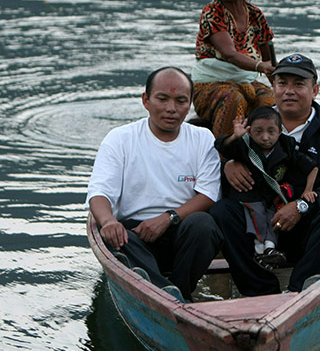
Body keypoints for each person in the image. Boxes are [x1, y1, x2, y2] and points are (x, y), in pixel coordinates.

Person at [209, 54, 320, 295]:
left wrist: (300, 207)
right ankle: (259, 290)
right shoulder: (255, 122)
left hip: (306, 229)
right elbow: (224, 152)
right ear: (273, 87)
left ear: (315, 90)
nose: (289, 91)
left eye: (299, 84)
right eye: (282, 83)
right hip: (259, 224)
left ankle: (299, 289)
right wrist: (228, 164)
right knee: (221, 212)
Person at [86, 67, 223, 302]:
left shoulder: (202, 138)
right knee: (116, 236)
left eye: (180, 101)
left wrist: (168, 218)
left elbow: (208, 195)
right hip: (134, 236)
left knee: (204, 224)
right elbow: (99, 194)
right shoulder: (120, 139)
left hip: (180, 230)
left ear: (189, 104)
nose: (171, 108)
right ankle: (172, 297)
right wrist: (109, 221)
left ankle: (176, 290)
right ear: (146, 101)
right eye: (162, 99)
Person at [214, 106, 319, 270]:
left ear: (280, 131)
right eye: (258, 132)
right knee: (256, 217)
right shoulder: (244, 145)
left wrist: (308, 190)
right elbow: (223, 147)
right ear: (249, 132)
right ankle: (260, 251)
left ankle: (268, 251)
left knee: (272, 219)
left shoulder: (287, 146)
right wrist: (235, 136)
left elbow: (312, 168)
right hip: (247, 199)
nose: (265, 137)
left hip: (273, 199)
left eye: (271, 131)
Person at [192, 0, 277, 138]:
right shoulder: (212, 12)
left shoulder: (255, 14)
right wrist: (260, 66)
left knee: (270, 101)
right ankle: (226, 153)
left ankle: (264, 152)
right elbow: (229, 54)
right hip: (210, 84)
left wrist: (279, 87)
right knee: (233, 99)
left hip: (245, 81)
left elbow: (268, 59)